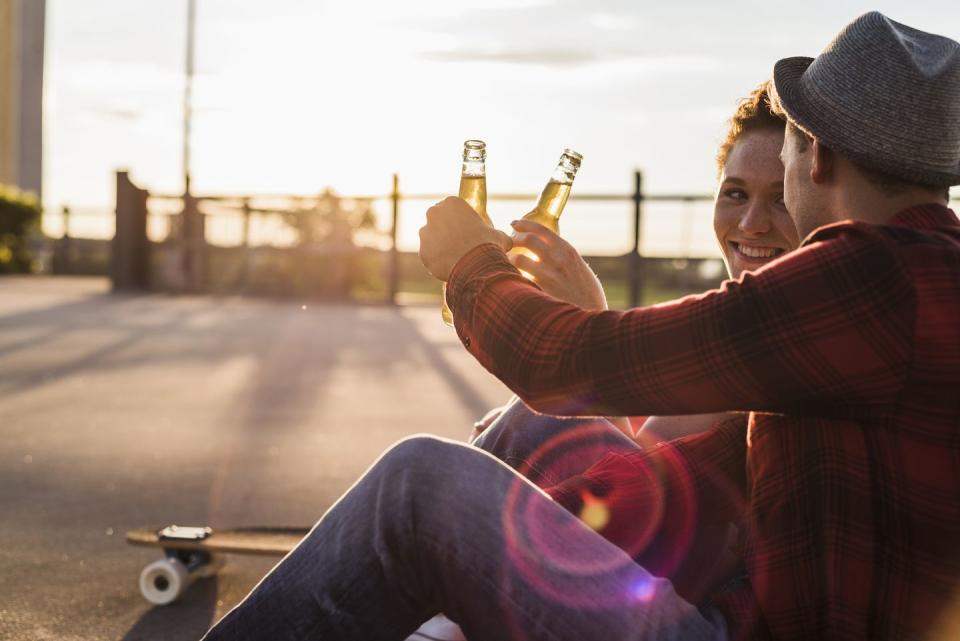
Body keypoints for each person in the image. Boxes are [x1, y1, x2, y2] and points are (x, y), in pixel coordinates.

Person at [202, 12, 960, 640]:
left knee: (417, 486)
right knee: (520, 433)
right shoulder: (915, 278)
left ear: (815, 154)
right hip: (741, 587)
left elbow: (554, 359)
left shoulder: (866, 279)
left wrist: (470, 265)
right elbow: (681, 469)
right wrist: (509, 536)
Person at [406, 81, 796, 641]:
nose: (751, 223)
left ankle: (440, 620)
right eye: (735, 193)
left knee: (426, 475)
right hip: (656, 561)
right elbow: (646, 476)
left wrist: (488, 522)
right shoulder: (748, 330)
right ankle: (438, 619)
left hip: (686, 604)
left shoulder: (781, 340)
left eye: (780, 197)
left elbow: (652, 511)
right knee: (524, 426)